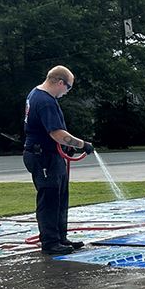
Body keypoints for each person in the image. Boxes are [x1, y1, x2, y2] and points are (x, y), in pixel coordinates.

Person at [22, 65, 94, 255]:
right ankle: (50, 242)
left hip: (51, 154)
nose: (67, 92)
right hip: (42, 156)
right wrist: (81, 144)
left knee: (61, 197)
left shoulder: (37, 94)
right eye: (68, 87)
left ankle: (60, 237)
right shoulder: (45, 101)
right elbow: (56, 133)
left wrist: (66, 144)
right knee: (50, 199)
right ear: (60, 82)